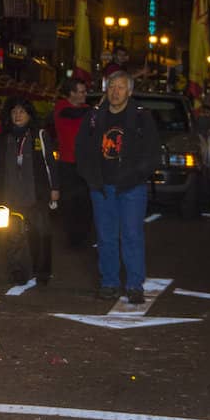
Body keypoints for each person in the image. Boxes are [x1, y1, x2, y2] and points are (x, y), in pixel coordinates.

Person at [75, 71, 161, 303]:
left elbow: (153, 152)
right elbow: (81, 149)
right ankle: (109, 283)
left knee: (132, 236)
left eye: (121, 87)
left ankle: (134, 285)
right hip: (102, 187)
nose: (115, 91)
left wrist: (136, 174)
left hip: (131, 187)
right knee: (106, 237)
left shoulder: (141, 117)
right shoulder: (94, 117)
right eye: (112, 86)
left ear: (130, 91)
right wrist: (90, 177)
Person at [0, 98, 59, 286]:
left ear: (29, 115)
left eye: (22, 112)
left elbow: (50, 164)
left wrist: (54, 188)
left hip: (35, 194)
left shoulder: (39, 136)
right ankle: (16, 271)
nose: (17, 116)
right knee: (12, 235)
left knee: (41, 233)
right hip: (9, 194)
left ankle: (42, 272)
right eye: (14, 112)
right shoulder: (3, 138)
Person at [52, 76, 94, 247]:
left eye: (85, 91)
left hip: (86, 164)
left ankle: (84, 237)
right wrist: (93, 110)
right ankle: (73, 239)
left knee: (86, 203)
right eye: (81, 92)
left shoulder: (87, 109)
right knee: (70, 203)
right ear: (71, 93)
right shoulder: (62, 107)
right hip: (68, 164)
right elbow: (73, 113)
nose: (85, 95)